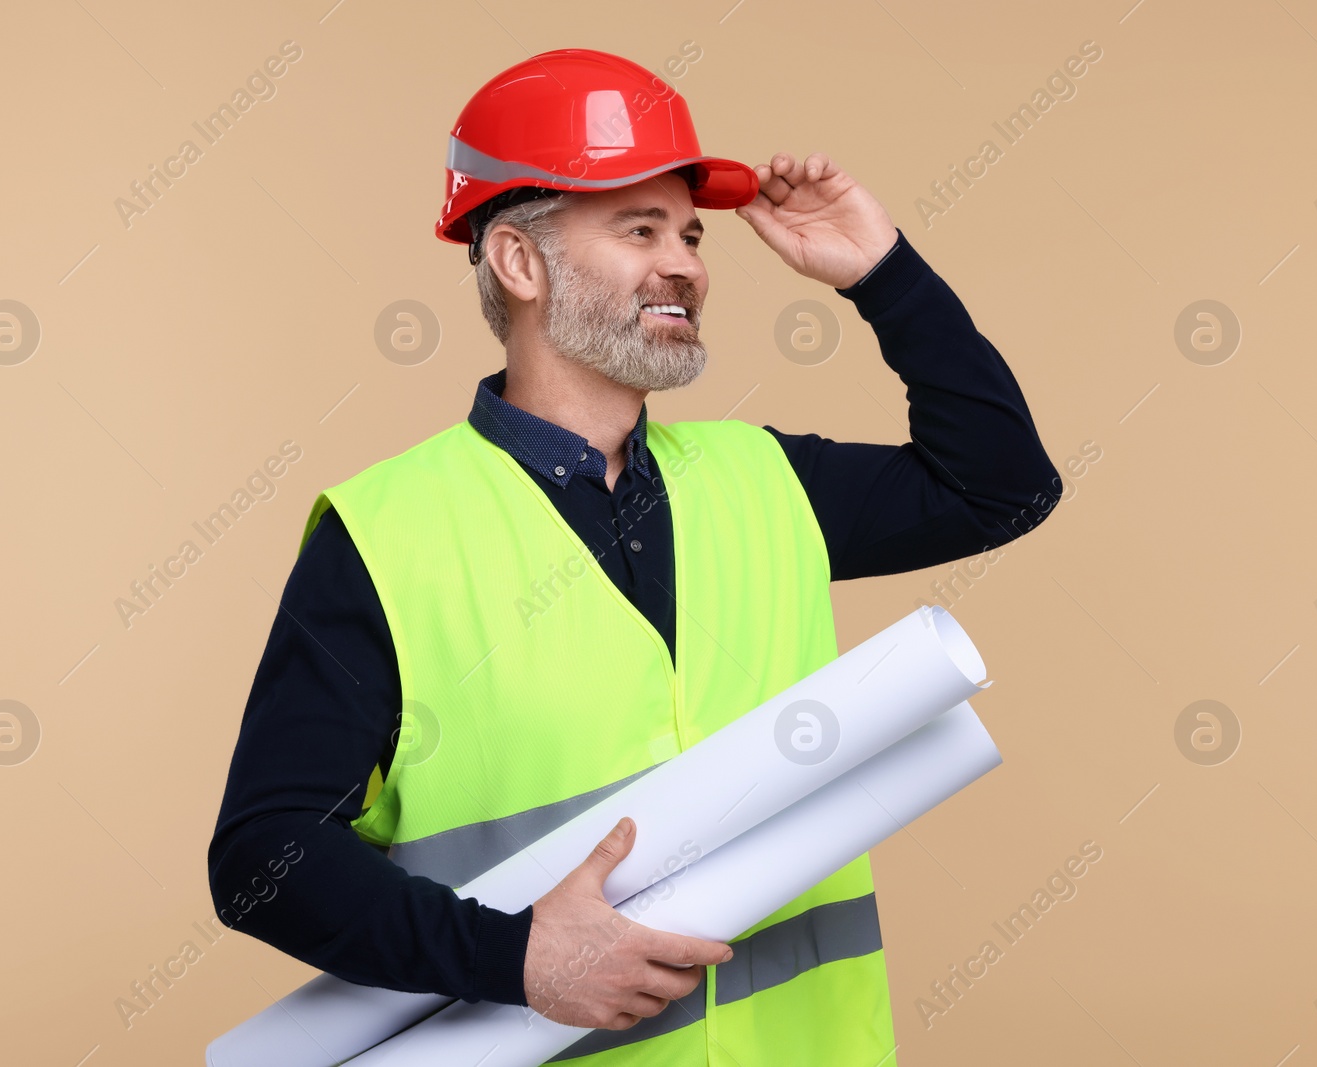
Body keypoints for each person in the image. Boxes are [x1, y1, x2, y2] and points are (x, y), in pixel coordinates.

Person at [208, 47, 1062, 1065]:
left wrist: (882, 271)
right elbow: (264, 855)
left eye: (692, 233)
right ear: (519, 263)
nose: (688, 264)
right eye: (639, 227)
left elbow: (1005, 485)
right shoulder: (388, 535)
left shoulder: (762, 479)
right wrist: (513, 954)